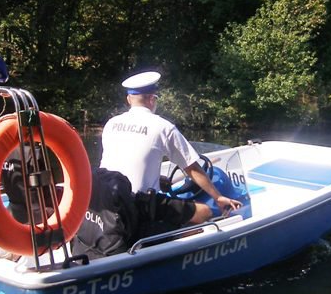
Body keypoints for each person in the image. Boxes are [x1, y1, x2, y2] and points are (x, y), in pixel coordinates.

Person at [99, 71, 242, 232]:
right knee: (204, 212)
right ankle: (173, 237)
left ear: (128, 99)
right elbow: (192, 168)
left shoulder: (111, 124)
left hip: (106, 197)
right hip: (139, 205)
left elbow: (123, 160)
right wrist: (218, 197)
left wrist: (158, 179)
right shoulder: (163, 127)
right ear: (152, 99)